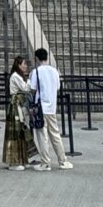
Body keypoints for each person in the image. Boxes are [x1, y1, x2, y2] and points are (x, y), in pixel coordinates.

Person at [29, 43, 69, 174]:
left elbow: (33, 88)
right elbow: (57, 87)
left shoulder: (36, 72)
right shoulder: (54, 71)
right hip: (52, 107)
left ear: (37, 59)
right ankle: (63, 160)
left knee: (42, 136)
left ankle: (45, 162)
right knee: (55, 134)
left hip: (41, 108)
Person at [2, 57, 34, 169]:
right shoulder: (15, 76)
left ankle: (22, 159)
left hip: (19, 105)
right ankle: (14, 161)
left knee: (21, 132)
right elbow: (26, 88)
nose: (25, 66)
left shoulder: (18, 76)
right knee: (15, 133)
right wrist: (30, 79)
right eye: (24, 64)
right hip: (16, 106)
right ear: (19, 65)